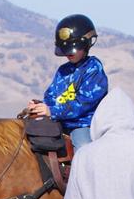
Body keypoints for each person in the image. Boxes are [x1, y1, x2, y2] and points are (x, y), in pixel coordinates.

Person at [24, 14, 109, 149]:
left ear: (86, 44)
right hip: (59, 123)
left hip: (82, 125)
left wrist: (52, 111)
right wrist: (40, 106)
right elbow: (52, 97)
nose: (69, 53)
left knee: (84, 148)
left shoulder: (93, 68)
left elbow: (84, 103)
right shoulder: (63, 70)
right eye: (66, 49)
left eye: (74, 48)